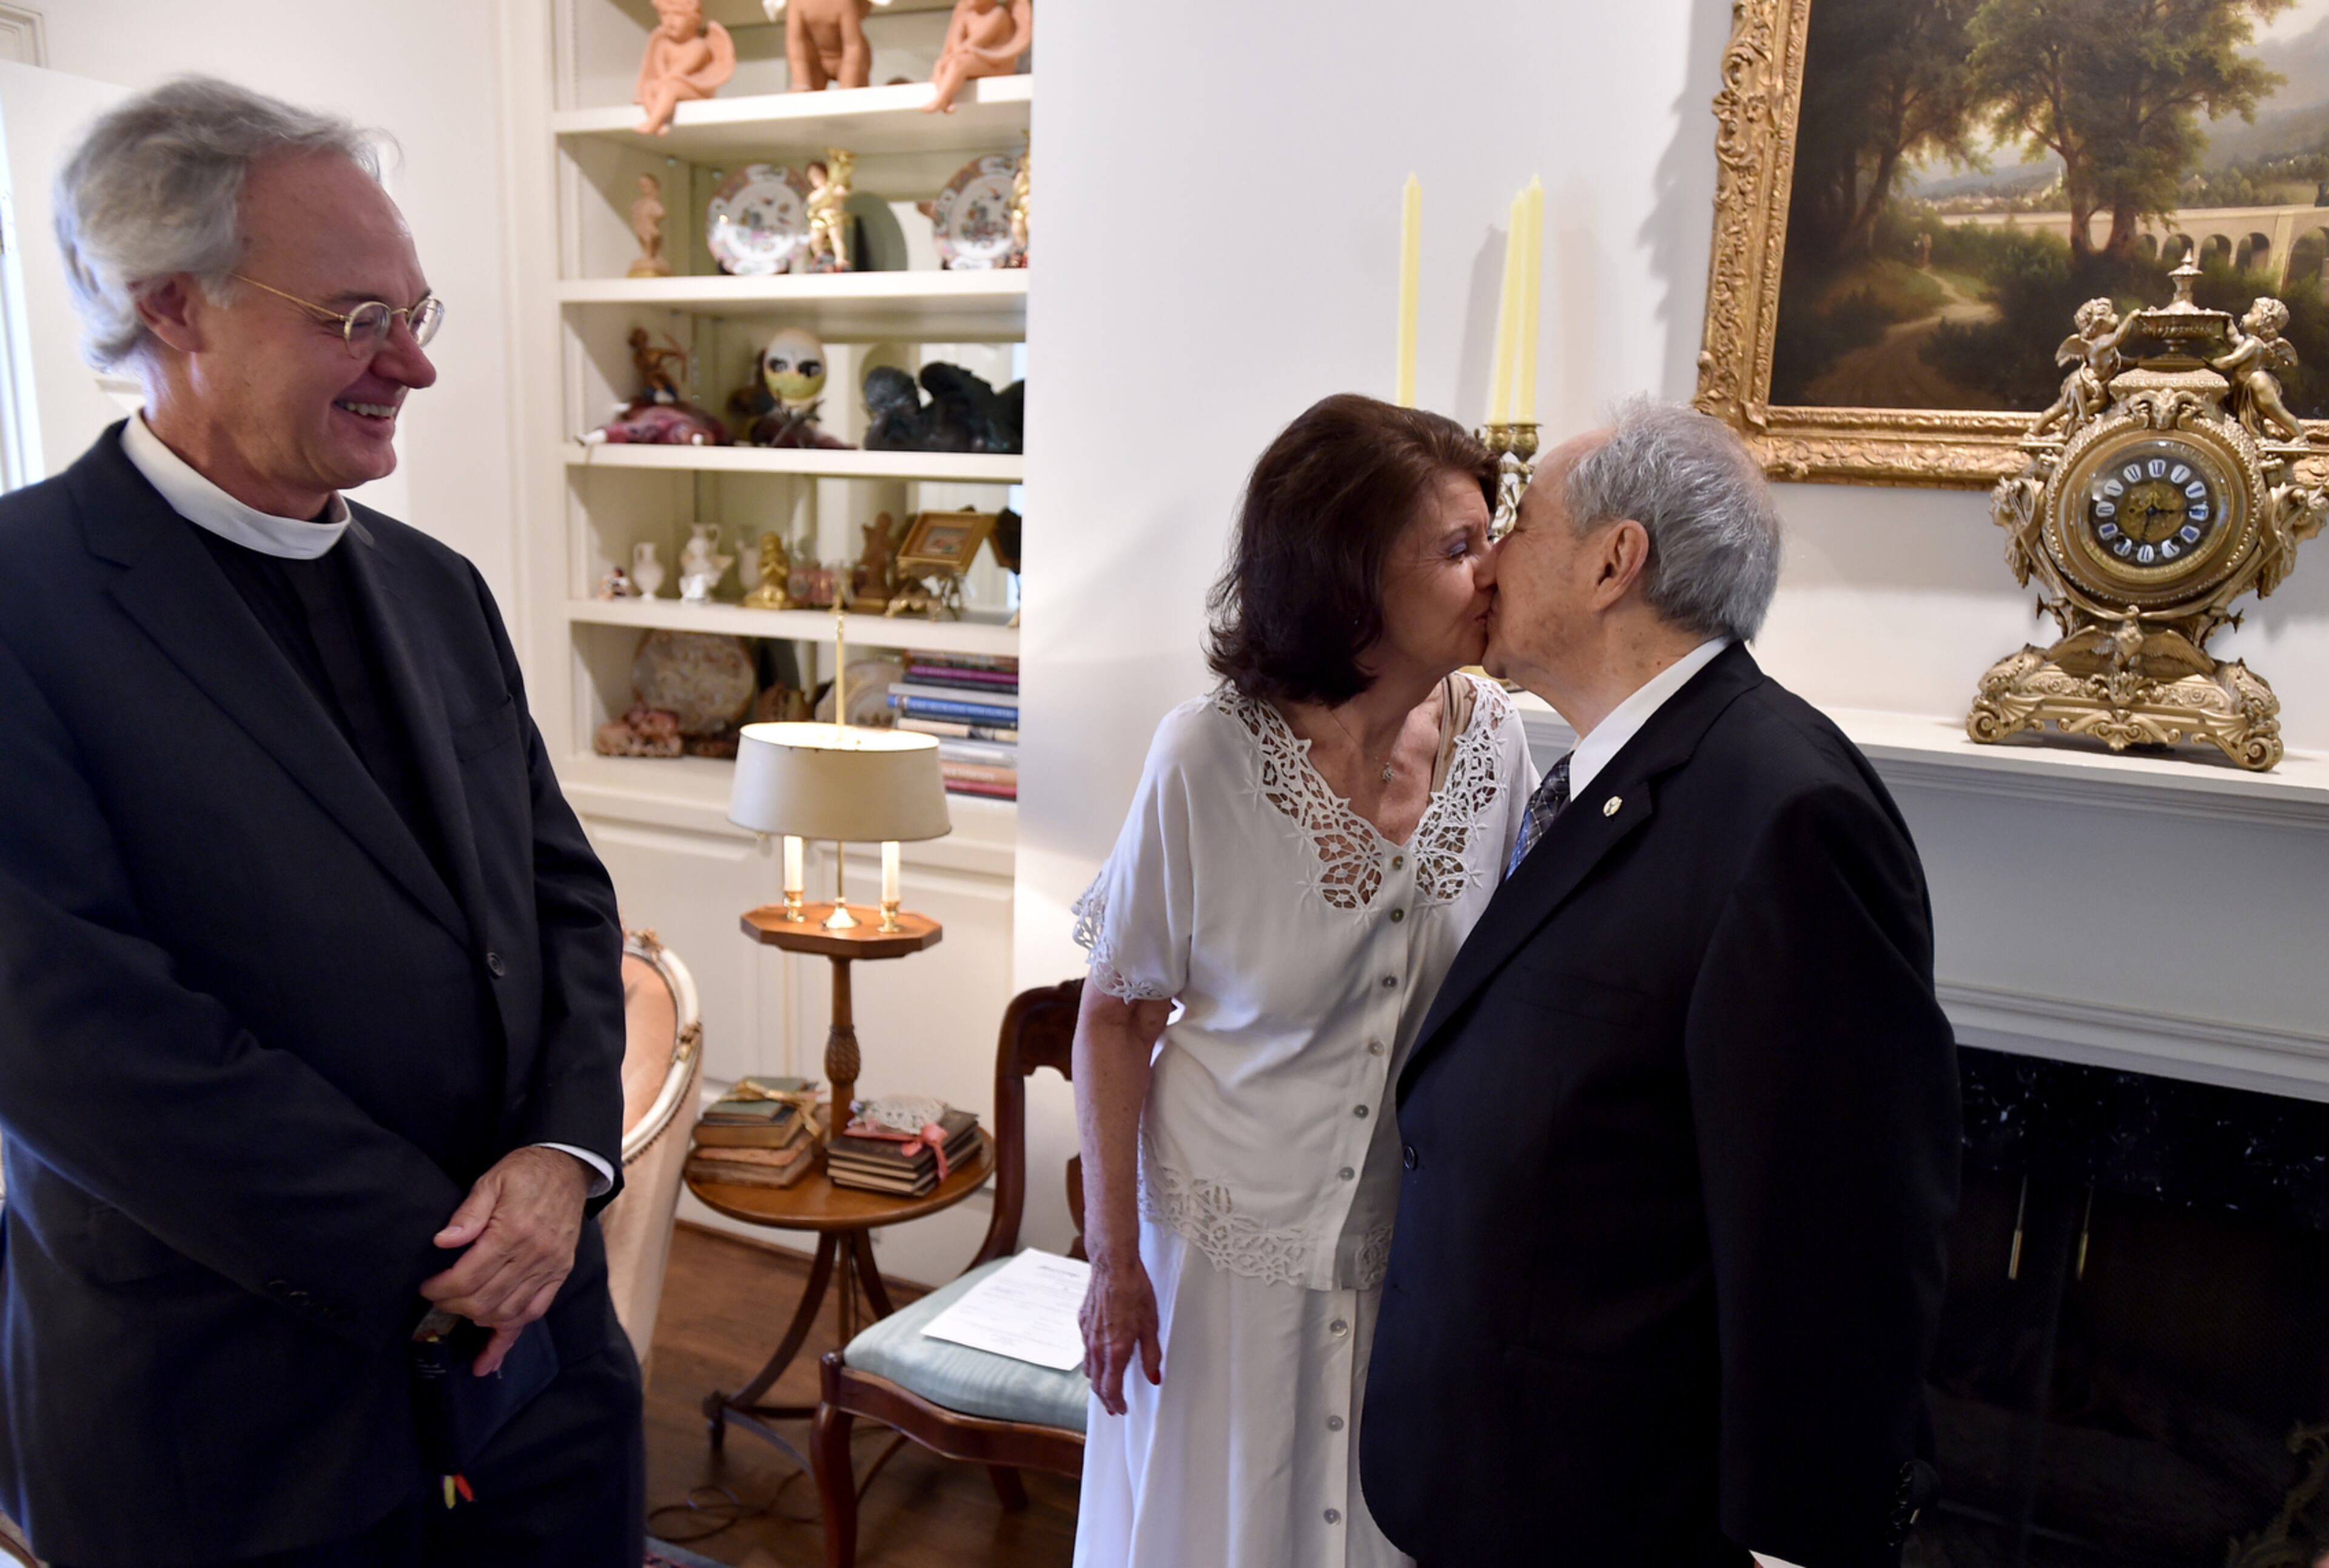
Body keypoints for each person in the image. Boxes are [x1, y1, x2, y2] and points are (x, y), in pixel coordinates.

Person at [0, 79, 639, 1566]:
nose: (411, 362)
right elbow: (73, 1036)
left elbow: (563, 900)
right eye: (356, 318)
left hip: (543, 1376)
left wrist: (561, 1165)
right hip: (223, 1422)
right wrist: (446, 1263)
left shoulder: (439, 586)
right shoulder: (20, 601)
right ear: (175, 308)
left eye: (417, 312)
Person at [1362, 398, 1960, 1568]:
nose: (1490, 562)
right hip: (1511, 1482)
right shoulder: (1601, 770)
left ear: (1613, 561)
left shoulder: (1789, 811)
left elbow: (1841, 1233)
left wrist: (1794, 1544)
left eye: (1520, 523)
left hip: (1624, 1511)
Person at [1071, 394, 1536, 1567]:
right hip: (1216, 1272)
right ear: (1347, 574)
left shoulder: (1499, 744)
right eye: (1458, 546)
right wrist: (1116, 1263)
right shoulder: (1205, 758)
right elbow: (1118, 1019)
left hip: (1406, 1263)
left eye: (1493, 535)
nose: (1495, 572)